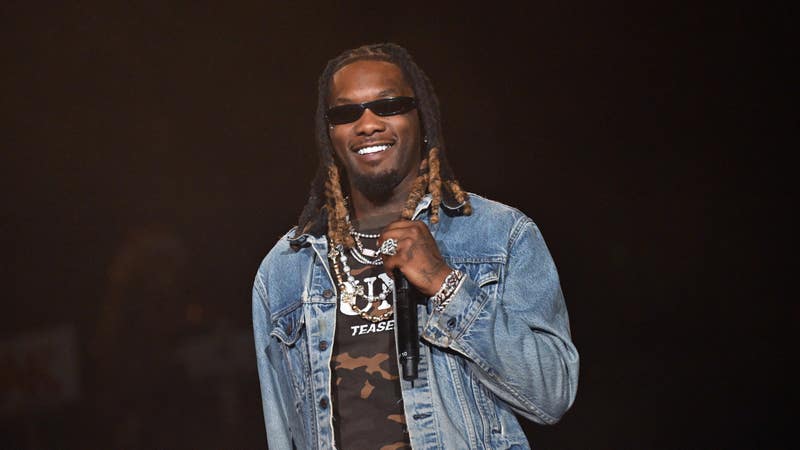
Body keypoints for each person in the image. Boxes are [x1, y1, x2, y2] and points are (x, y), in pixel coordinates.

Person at [252, 43, 579, 449]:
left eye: (388, 106)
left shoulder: (499, 235)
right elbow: (282, 432)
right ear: (329, 134)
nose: (368, 124)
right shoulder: (285, 267)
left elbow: (552, 393)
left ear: (421, 118)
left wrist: (446, 284)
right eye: (346, 113)